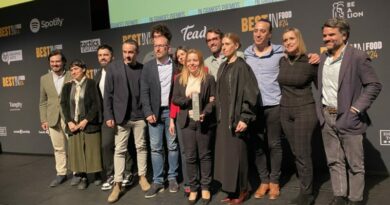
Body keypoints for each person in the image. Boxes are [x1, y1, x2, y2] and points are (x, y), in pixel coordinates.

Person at [244, 19, 319, 200]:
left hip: (276, 105)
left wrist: (319, 57)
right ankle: (263, 181)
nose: (258, 34)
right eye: (256, 30)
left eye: (263, 31)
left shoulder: (280, 53)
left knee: (275, 145)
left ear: (270, 34)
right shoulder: (246, 54)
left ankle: (274, 182)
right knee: (257, 147)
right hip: (254, 108)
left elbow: (307, 64)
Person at [316, 18, 382, 205]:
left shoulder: (357, 56)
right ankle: (339, 196)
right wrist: (321, 114)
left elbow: (374, 85)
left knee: (355, 165)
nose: (326, 38)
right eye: (324, 35)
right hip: (326, 116)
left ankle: (355, 199)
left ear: (344, 35)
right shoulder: (323, 58)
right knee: (334, 161)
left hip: (348, 117)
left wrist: (356, 108)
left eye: (331, 35)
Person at [214, 33, 259, 205]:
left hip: (237, 119)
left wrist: (245, 118)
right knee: (228, 156)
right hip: (223, 119)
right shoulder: (223, 67)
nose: (223, 47)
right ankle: (231, 191)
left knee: (239, 156)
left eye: (227, 44)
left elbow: (251, 93)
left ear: (236, 46)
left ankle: (243, 189)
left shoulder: (242, 67)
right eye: (222, 44)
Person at [104, 40, 150, 203]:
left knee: (141, 147)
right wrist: (109, 115)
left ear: (137, 52)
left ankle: (143, 177)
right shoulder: (113, 68)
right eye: (124, 51)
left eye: (130, 52)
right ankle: (117, 184)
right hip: (121, 117)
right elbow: (108, 94)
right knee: (120, 150)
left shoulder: (143, 69)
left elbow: (147, 92)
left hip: (139, 117)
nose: (127, 55)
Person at [278, 28, 318, 205]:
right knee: (296, 153)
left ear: (299, 39)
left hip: (304, 110)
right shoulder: (282, 61)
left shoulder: (311, 61)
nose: (288, 42)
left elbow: (324, 89)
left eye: (291, 38)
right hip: (285, 111)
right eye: (285, 40)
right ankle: (305, 187)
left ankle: (307, 194)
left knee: (302, 153)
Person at [172, 49, 216, 205]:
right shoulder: (179, 79)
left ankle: (205, 187)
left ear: (200, 61)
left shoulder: (209, 78)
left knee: (204, 155)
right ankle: (193, 188)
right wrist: (187, 99)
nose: (191, 63)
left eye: (195, 60)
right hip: (186, 123)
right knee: (190, 157)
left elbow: (213, 100)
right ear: (185, 62)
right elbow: (175, 99)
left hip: (204, 122)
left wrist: (205, 112)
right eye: (189, 60)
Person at [141, 35, 179, 198]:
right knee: (156, 148)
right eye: (155, 46)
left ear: (168, 48)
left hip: (170, 113)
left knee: (172, 146)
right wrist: (148, 112)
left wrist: (173, 114)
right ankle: (157, 181)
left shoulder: (176, 66)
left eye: (161, 46)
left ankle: (172, 178)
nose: (157, 49)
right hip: (154, 114)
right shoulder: (148, 67)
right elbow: (144, 91)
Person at [94, 44, 135, 191]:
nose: (103, 57)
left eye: (106, 55)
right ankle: (111, 174)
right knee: (106, 145)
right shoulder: (98, 74)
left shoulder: (121, 70)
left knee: (124, 145)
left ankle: (128, 172)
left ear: (112, 56)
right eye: (100, 55)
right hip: (107, 115)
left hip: (122, 114)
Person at [60, 59, 102, 190]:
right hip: (73, 125)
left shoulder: (91, 83)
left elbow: (96, 104)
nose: (73, 72)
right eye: (71, 70)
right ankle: (83, 176)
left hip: (89, 123)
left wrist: (86, 120)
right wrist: (69, 121)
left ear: (84, 69)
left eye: (76, 69)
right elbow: (64, 105)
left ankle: (96, 174)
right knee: (77, 152)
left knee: (92, 150)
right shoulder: (67, 86)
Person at [39, 49, 72, 187]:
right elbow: (43, 101)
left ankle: (78, 173)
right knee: (58, 148)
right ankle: (61, 173)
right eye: (52, 62)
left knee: (73, 146)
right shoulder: (44, 78)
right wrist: (44, 119)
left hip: (69, 117)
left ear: (63, 62)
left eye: (58, 61)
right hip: (52, 117)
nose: (55, 64)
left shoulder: (72, 74)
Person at [169, 46, 191, 195]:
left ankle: (202, 180)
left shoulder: (204, 71)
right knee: (184, 150)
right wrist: (171, 120)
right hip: (180, 117)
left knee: (199, 150)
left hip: (198, 116)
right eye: (179, 56)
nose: (181, 57)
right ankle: (188, 182)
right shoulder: (176, 77)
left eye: (183, 54)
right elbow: (173, 100)